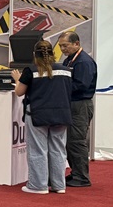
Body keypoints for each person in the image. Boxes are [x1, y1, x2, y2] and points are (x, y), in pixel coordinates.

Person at [13, 39, 73, 194]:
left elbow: (19, 92)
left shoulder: (31, 70)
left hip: (38, 114)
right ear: (53, 53)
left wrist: (17, 79)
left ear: (35, 54)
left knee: (38, 150)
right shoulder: (66, 70)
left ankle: (38, 185)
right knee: (58, 150)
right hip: (61, 114)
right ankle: (59, 185)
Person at [57, 31, 97, 187]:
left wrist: (60, 88)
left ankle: (81, 177)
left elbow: (81, 85)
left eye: (65, 46)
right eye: (60, 46)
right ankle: (76, 173)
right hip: (72, 104)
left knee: (76, 141)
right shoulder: (69, 60)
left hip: (80, 105)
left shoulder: (83, 62)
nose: (62, 49)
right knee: (70, 141)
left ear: (76, 43)